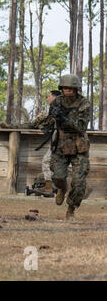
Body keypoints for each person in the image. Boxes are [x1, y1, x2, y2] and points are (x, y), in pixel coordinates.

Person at [47, 74, 90, 220]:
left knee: (79, 184)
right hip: (61, 145)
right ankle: (62, 188)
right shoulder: (56, 102)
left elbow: (80, 126)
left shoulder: (84, 103)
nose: (68, 90)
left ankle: (71, 208)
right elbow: (49, 121)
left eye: (71, 88)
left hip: (79, 148)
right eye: (65, 87)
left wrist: (64, 119)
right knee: (58, 177)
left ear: (76, 89)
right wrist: (50, 121)